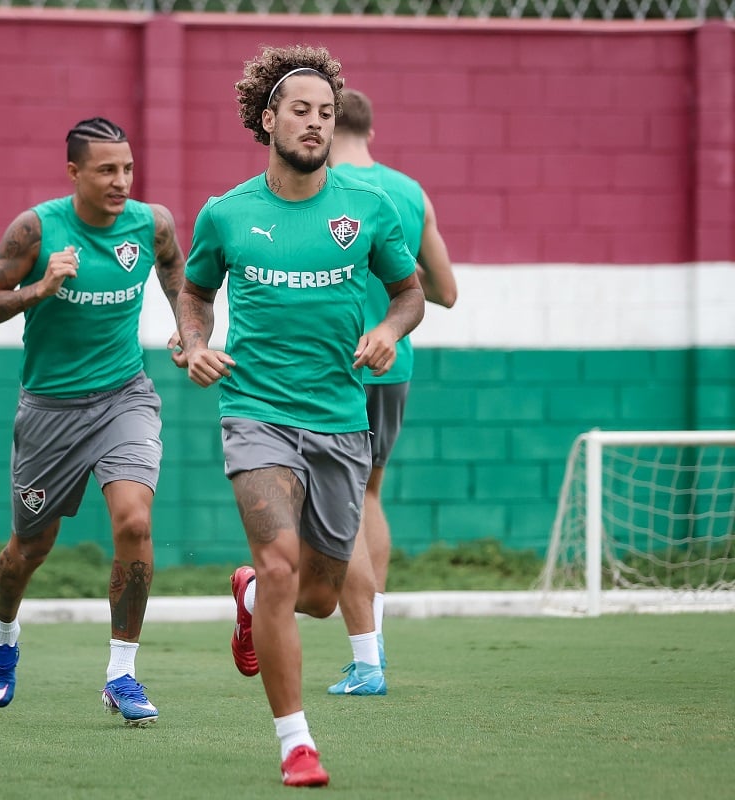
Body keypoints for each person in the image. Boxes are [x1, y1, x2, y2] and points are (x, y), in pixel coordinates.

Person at [172, 46, 424, 786]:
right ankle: (296, 743)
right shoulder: (227, 213)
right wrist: (195, 344)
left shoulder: (367, 209)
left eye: (325, 113)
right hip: (256, 411)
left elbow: (410, 292)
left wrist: (389, 330)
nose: (316, 123)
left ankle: (249, 594)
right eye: (301, 111)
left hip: (342, 419)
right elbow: (194, 294)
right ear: (268, 118)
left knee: (314, 594)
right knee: (284, 566)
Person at [0, 117, 185, 726]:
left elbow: (176, 271)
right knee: (29, 549)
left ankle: (122, 673)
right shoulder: (36, 229)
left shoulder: (152, 223)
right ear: (74, 173)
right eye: (106, 171)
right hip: (49, 412)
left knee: (135, 521)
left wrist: (189, 332)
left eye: (128, 169)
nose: (121, 182)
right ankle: (4, 631)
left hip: (124, 397)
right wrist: (38, 289)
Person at [325, 88, 458, 696]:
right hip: (394, 363)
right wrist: (396, 282)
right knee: (368, 493)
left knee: (338, 497)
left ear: (326, 126)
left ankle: (364, 652)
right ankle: (372, 639)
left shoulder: (314, 186)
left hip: (331, 363)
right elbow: (445, 291)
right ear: (371, 130)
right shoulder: (410, 192)